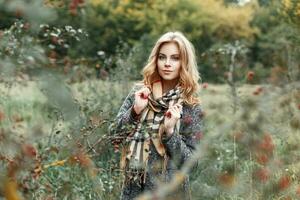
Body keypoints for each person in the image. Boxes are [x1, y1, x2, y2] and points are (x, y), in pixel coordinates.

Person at [110, 31, 204, 200]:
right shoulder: (139, 93)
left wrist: (170, 133)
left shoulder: (190, 105)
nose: (167, 63)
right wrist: (135, 111)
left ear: (185, 62)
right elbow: (114, 137)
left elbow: (192, 165)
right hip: (134, 192)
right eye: (162, 57)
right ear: (156, 59)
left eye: (175, 58)